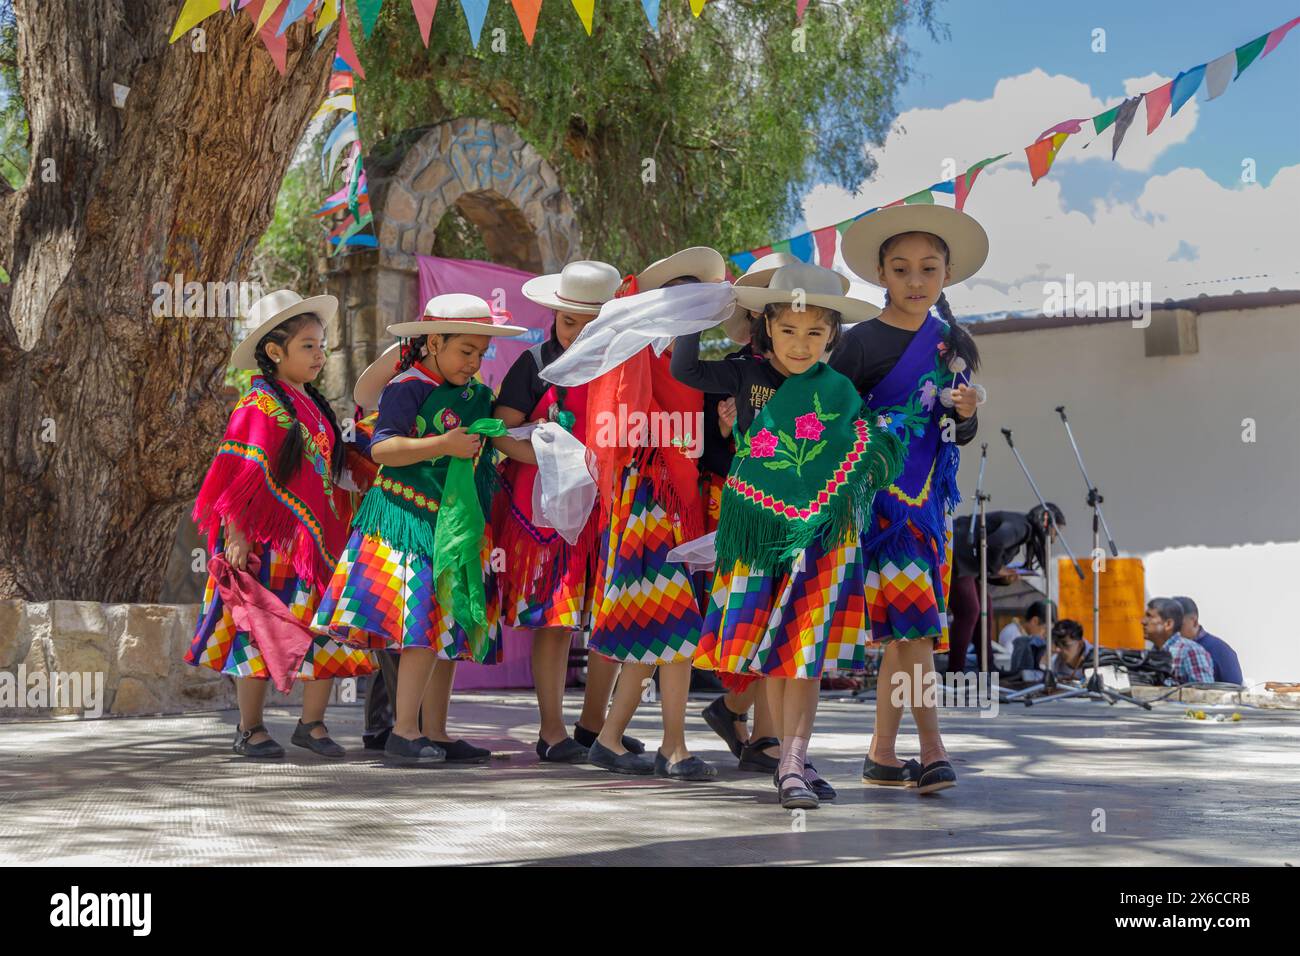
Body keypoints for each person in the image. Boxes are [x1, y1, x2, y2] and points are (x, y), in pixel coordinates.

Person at [678, 262, 902, 810]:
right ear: (767, 326)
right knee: (772, 657)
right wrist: (691, 306)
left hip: (822, 540)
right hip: (759, 535)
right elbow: (685, 368)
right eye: (788, 331)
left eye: (815, 333)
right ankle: (786, 758)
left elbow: (862, 453)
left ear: (832, 335)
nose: (800, 345)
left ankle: (794, 761)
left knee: (803, 654)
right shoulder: (741, 376)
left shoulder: (841, 391)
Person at [313, 294, 526, 764]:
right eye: (465, 351)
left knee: (449, 625)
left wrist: (557, 450)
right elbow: (384, 450)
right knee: (421, 626)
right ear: (433, 342)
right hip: (406, 519)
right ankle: (403, 730)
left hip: (457, 522)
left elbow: (499, 444)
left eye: (481, 353)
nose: (474, 362)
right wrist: (445, 444)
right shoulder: (406, 387)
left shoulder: (477, 396)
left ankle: (437, 730)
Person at [542, 247, 728, 781]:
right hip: (646, 496)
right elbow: (623, 428)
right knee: (673, 623)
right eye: (684, 294)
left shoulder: (670, 350)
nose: (692, 305)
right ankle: (667, 745)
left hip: (670, 496)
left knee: (662, 627)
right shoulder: (637, 346)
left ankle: (616, 738)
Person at [834, 203, 989, 794]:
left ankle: (880, 755)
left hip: (929, 506)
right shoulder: (857, 344)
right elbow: (833, 422)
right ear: (882, 276)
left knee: (906, 635)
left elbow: (954, 435)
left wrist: (966, 417)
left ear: (947, 274)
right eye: (901, 270)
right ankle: (932, 749)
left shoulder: (955, 345)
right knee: (917, 627)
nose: (916, 281)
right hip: (878, 504)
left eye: (928, 268)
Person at [186, 289, 375, 759]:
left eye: (322, 344)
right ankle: (250, 727)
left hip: (316, 542)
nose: (320, 353)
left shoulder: (313, 405)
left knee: (322, 628)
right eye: (308, 345)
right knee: (260, 628)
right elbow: (237, 476)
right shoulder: (258, 405)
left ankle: (312, 724)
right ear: (275, 352)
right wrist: (236, 535)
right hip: (269, 543)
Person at [490, 259, 645, 763]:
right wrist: (557, 455)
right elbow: (500, 431)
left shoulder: (625, 365)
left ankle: (594, 726)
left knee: (608, 616)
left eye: (590, 322)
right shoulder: (533, 363)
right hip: (546, 511)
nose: (577, 331)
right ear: (553, 315)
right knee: (554, 620)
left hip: (607, 507)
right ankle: (551, 730)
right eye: (568, 320)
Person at [949, 504, 1065, 673]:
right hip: (955, 554)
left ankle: (987, 666)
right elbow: (994, 543)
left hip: (962, 559)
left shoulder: (1021, 528)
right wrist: (998, 569)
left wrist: (1001, 575)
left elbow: (985, 561)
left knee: (985, 606)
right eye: (1056, 530)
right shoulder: (1021, 526)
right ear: (1046, 522)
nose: (1055, 536)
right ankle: (955, 671)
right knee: (969, 610)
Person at [1173, 596, 1243, 685]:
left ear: (1194, 621)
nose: (1171, 629)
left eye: (1178, 625)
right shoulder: (1165, 649)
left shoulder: (1220, 650)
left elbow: (1236, 691)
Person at [1143, 598, 1214, 685]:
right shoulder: (1153, 653)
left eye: (1149, 616)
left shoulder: (1190, 651)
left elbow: (1205, 693)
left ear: (1168, 624)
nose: (1143, 621)